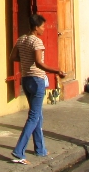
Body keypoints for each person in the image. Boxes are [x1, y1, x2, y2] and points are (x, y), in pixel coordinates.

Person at [9, 14, 68, 163]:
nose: (44, 28)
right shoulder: (37, 42)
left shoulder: (21, 39)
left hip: (26, 79)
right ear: (36, 27)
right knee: (34, 116)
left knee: (37, 115)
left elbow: (13, 57)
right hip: (37, 80)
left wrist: (25, 59)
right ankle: (19, 150)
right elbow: (39, 63)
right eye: (42, 26)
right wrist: (57, 71)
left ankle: (40, 149)